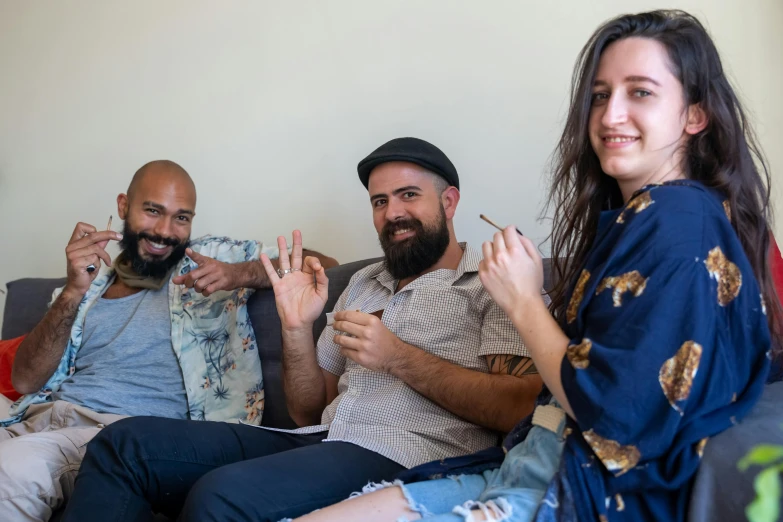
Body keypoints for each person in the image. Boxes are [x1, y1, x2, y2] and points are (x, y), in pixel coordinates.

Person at [287, 10, 781, 522]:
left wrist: (523, 301)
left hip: (572, 488)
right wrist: (296, 325)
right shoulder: (639, 221)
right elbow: (307, 408)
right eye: (600, 95)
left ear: (694, 115)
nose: (611, 115)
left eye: (641, 92)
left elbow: (616, 418)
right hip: (523, 463)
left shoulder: (681, 221)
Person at [60, 138, 542, 522]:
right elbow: (307, 407)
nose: (392, 213)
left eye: (408, 196)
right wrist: (296, 328)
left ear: (450, 201)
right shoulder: (363, 283)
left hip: (412, 454)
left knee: (222, 497)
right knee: (123, 445)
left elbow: (519, 409)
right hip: (323, 436)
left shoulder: (496, 280)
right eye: (379, 201)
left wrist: (398, 356)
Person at [0, 160, 335, 521]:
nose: (164, 231)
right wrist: (71, 291)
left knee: (12, 472)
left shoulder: (210, 259)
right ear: (123, 206)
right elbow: (24, 381)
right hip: (35, 414)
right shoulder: (89, 285)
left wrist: (239, 273)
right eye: (153, 210)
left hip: (110, 436)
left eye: (181, 217)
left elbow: (322, 262)